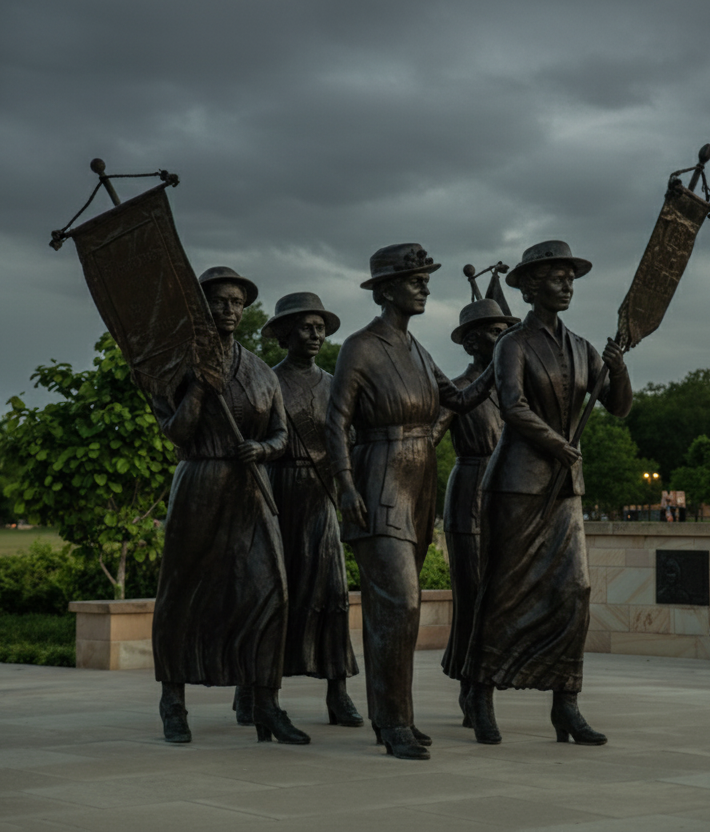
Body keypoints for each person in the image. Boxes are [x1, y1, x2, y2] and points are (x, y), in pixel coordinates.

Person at [326, 243, 494, 760]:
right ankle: (393, 720)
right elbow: (336, 422)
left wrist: (506, 356)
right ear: (385, 290)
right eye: (414, 279)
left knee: (395, 609)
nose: (424, 286)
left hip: (419, 482)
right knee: (400, 602)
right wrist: (346, 486)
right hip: (377, 476)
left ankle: (395, 716)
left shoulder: (418, 350)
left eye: (425, 279)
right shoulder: (360, 346)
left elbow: (461, 399)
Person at [464, 240, 633, 746]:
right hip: (517, 483)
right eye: (557, 277)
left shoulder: (582, 347)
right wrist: (559, 445)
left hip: (565, 490)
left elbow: (619, 407)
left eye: (571, 278)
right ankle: (480, 691)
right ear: (532, 286)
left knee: (573, 591)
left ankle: (566, 703)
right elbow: (512, 406)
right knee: (504, 591)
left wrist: (617, 365)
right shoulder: (511, 343)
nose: (567, 285)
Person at [150, 266, 307, 746]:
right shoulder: (176, 364)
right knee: (183, 592)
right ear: (201, 306)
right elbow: (175, 433)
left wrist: (261, 450)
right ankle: (173, 702)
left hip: (251, 486)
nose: (229, 310)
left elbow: (282, 434)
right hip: (200, 481)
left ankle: (266, 703)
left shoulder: (260, 370)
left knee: (270, 590)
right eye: (219, 301)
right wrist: (199, 386)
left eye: (237, 302)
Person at [259, 292, 363, 727]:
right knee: (272, 594)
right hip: (279, 490)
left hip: (321, 496)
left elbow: (347, 433)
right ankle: (257, 691)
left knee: (331, 593)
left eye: (320, 327)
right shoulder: (268, 379)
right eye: (306, 326)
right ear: (285, 334)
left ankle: (337, 691)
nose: (316, 334)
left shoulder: (333, 381)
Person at [431, 299, 519, 727]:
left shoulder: (512, 392)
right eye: (491, 330)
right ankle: (471, 687)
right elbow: (426, 438)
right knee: (473, 599)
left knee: (501, 599)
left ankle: (486, 682)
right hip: (469, 497)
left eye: (504, 327)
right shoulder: (458, 390)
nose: (501, 334)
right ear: (469, 343)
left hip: (507, 500)